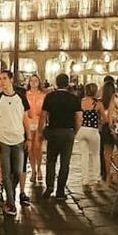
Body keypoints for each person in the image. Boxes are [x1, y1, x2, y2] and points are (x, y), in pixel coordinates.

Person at [0, 70, 31, 214]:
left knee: (18, 170)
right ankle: (10, 201)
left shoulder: (21, 98)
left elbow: (25, 118)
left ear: (10, 80)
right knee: (6, 171)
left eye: (3, 78)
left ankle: (10, 192)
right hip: (2, 140)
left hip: (19, 140)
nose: (0, 81)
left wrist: (29, 137)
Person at [40, 72, 82, 200]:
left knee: (51, 161)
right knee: (65, 163)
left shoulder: (50, 97)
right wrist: (74, 131)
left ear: (56, 83)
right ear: (67, 83)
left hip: (53, 131)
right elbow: (79, 118)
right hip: (68, 132)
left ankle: (49, 187)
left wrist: (42, 131)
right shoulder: (74, 98)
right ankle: (60, 191)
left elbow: (43, 116)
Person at [76, 83, 102, 187]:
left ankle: (84, 179)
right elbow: (104, 118)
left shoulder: (80, 102)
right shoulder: (98, 103)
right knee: (95, 155)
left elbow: (77, 117)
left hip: (82, 129)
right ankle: (96, 177)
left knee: (84, 155)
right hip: (93, 130)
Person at [25, 75, 46, 185]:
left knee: (38, 147)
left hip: (39, 122)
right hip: (28, 122)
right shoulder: (26, 94)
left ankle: (39, 169)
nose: (33, 83)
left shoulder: (43, 95)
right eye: (31, 81)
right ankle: (33, 170)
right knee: (30, 148)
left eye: (36, 80)